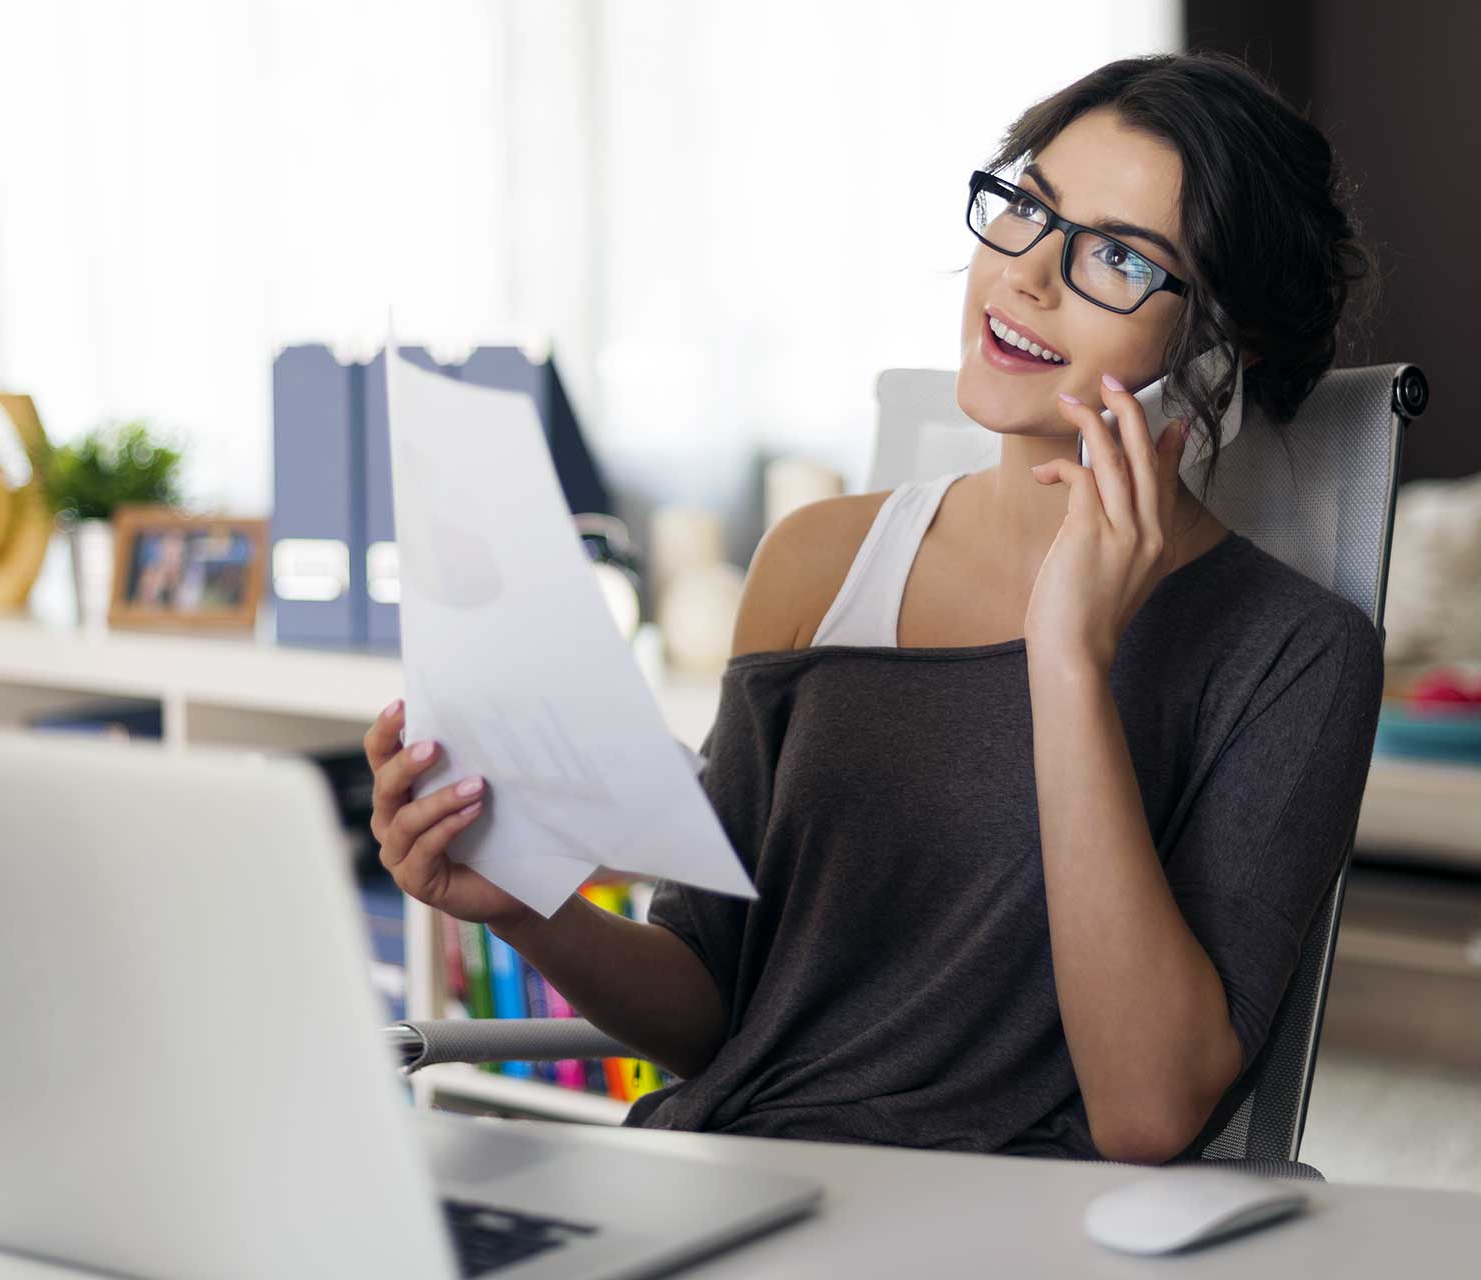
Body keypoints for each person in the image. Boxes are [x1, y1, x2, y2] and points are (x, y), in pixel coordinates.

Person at [362, 51, 1384, 1164]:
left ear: (1225, 350)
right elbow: (710, 1009)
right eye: (1028, 209)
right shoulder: (816, 561)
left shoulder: (1297, 653)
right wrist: (516, 900)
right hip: (732, 1180)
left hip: (1002, 1228)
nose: (1028, 277)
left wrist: (1069, 659)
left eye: (1119, 259)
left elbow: (1147, 1111)